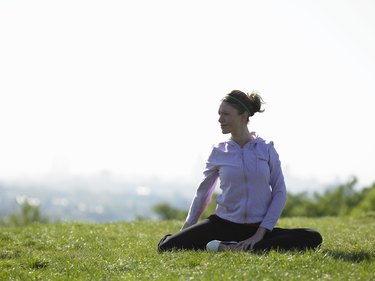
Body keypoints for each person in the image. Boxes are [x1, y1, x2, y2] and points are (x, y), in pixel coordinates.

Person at [158, 90, 323, 252]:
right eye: (219, 114)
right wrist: (187, 229)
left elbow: (280, 192)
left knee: (312, 237)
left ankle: (233, 247)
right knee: (167, 245)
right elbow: (203, 193)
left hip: (258, 228)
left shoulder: (266, 149)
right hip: (222, 224)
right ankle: (244, 247)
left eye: (226, 114)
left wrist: (260, 233)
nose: (220, 119)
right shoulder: (218, 152)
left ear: (243, 116)